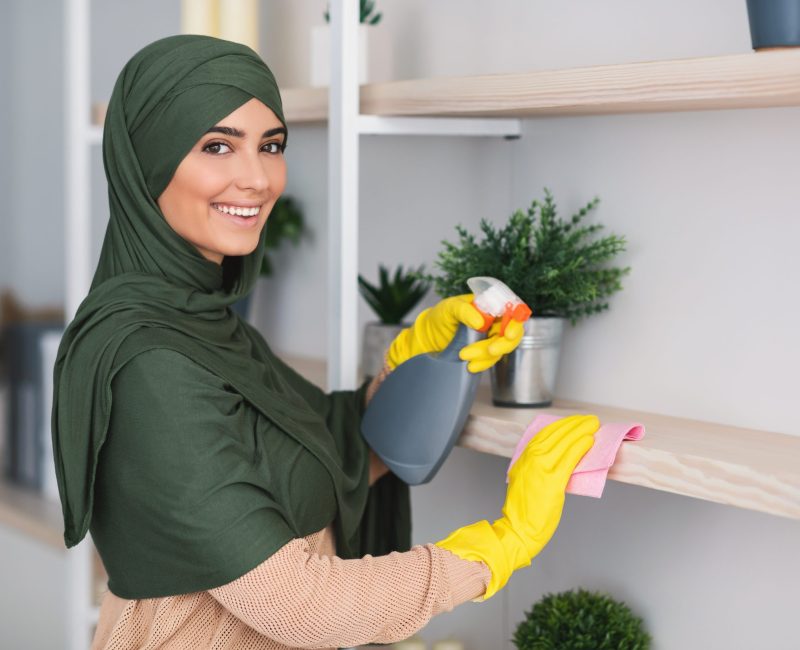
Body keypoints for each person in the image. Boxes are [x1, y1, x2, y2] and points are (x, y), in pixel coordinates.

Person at [51, 35, 598, 650]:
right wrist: (500, 545)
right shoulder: (150, 361)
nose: (257, 178)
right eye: (216, 146)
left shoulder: (201, 322)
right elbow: (305, 608)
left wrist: (419, 360)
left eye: (272, 145)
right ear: (147, 161)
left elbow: (324, 452)